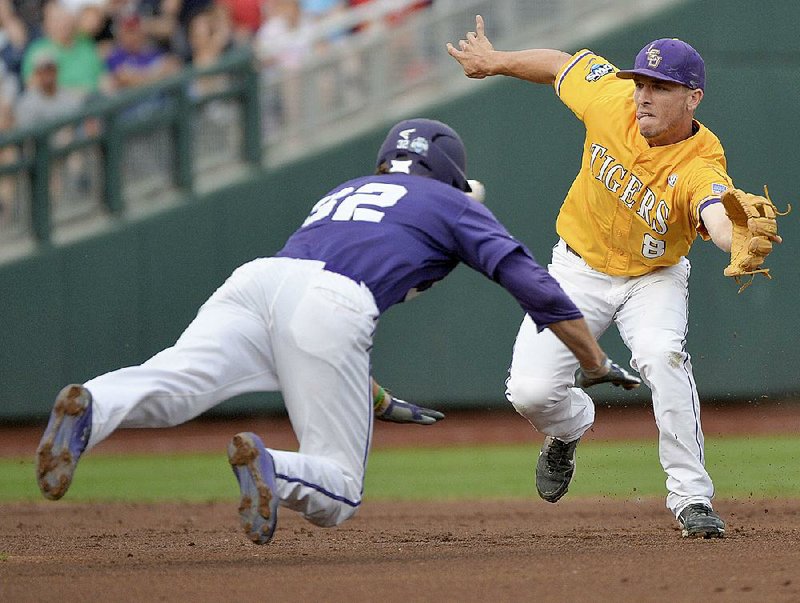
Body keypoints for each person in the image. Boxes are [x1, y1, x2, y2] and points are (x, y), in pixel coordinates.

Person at [35, 117, 640, 545]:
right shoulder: (454, 204)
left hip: (259, 282)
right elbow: (533, 283)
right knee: (341, 489)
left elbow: (301, 309)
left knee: (174, 385)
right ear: (451, 171)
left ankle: (94, 404)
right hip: (326, 302)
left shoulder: (346, 190)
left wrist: (373, 396)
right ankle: (272, 466)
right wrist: (591, 361)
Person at [447, 16, 784, 539]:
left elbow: (717, 211)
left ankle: (691, 498)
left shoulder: (700, 161)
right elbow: (560, 66)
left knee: (661, 356)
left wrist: (732, 235)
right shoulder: (613, 101)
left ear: (693, 98)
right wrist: (496, 62)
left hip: (652, 280)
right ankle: (569, 430)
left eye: (661, 87)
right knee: (532, 394)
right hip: (576, 269)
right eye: (641, 83)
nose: (644, 96)